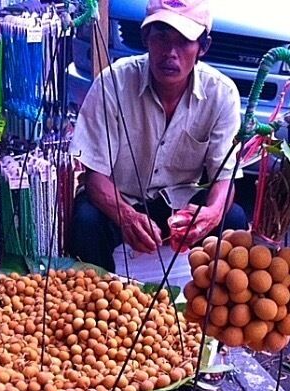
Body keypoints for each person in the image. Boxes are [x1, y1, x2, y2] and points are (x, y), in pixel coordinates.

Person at [68, 0, 247, 271]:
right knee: (85, 220)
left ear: (203, 48)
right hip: (121, 200)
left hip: (181, 205)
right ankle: (96, 302)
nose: (170, 53)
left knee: (232, 218)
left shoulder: (222, 94)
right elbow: (94, 175)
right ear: (145, 38)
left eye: (184, 41)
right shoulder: (113, 83)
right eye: (161, 36)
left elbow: (225, 178)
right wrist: (125, 215)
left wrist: (210, 215)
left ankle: (208, 310)